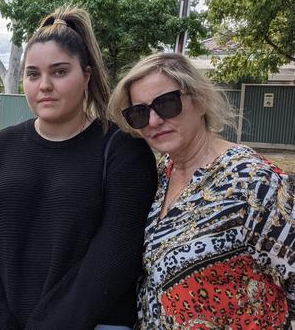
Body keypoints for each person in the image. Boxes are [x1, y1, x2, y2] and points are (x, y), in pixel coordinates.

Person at [0, 6, 158, 329]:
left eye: (60, 72)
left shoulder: (123, 151)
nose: (44, 85)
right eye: (33, 74)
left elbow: (112, 260)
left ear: (86, 75)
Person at [108, 52, 295, 329]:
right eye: (140, 113)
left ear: (200, 100)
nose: (154, 120)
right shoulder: (161, 175)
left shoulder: (253, 182)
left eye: (167, 103)